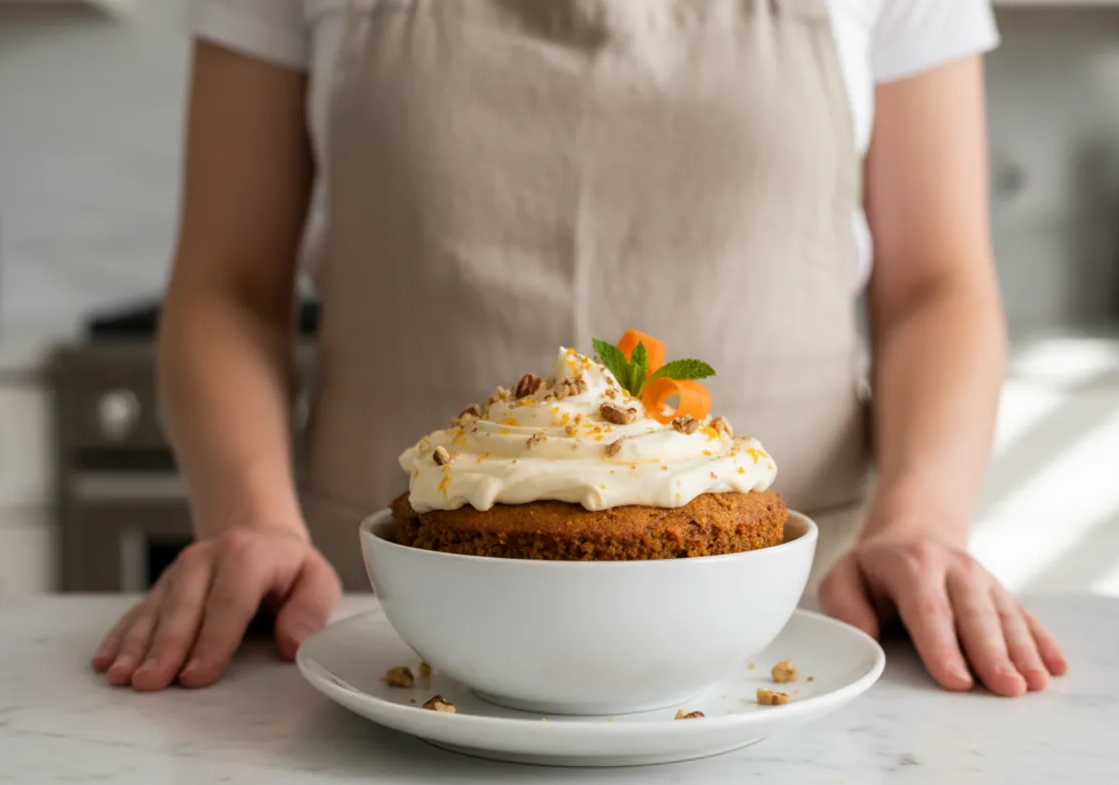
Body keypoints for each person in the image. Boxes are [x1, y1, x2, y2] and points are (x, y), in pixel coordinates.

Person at [93, 0, 1068, 697]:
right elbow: (229, 284)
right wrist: (250, 515)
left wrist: (923, 515)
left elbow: (936, 284)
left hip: (796, 614)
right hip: (386, 614)